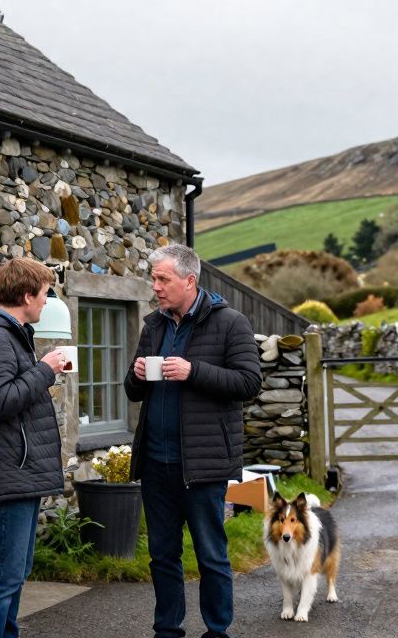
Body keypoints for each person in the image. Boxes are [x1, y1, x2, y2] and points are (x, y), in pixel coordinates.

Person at [124, 244, 262, 638]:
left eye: (162, 279)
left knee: (211, 555)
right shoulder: (154, 325)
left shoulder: (230, 323)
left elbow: (249, 382)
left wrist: (193, 371)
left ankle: (217, 631)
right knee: (162, 555)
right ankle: (167, 629)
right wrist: (135, 375)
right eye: (154, 279)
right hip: (155, 464)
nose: (156, 287)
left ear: (189, 280)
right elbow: (133, 392)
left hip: (203, 465)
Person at [0, 257, 70, 638]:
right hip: (8, 472)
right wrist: (45, 370)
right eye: (43, 295)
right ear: (26, 295)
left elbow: (13, 394)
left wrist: (40, 372)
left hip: (19, 472)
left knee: (16, 572)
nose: (45, 302)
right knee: (4, 575)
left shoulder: (11, 334)